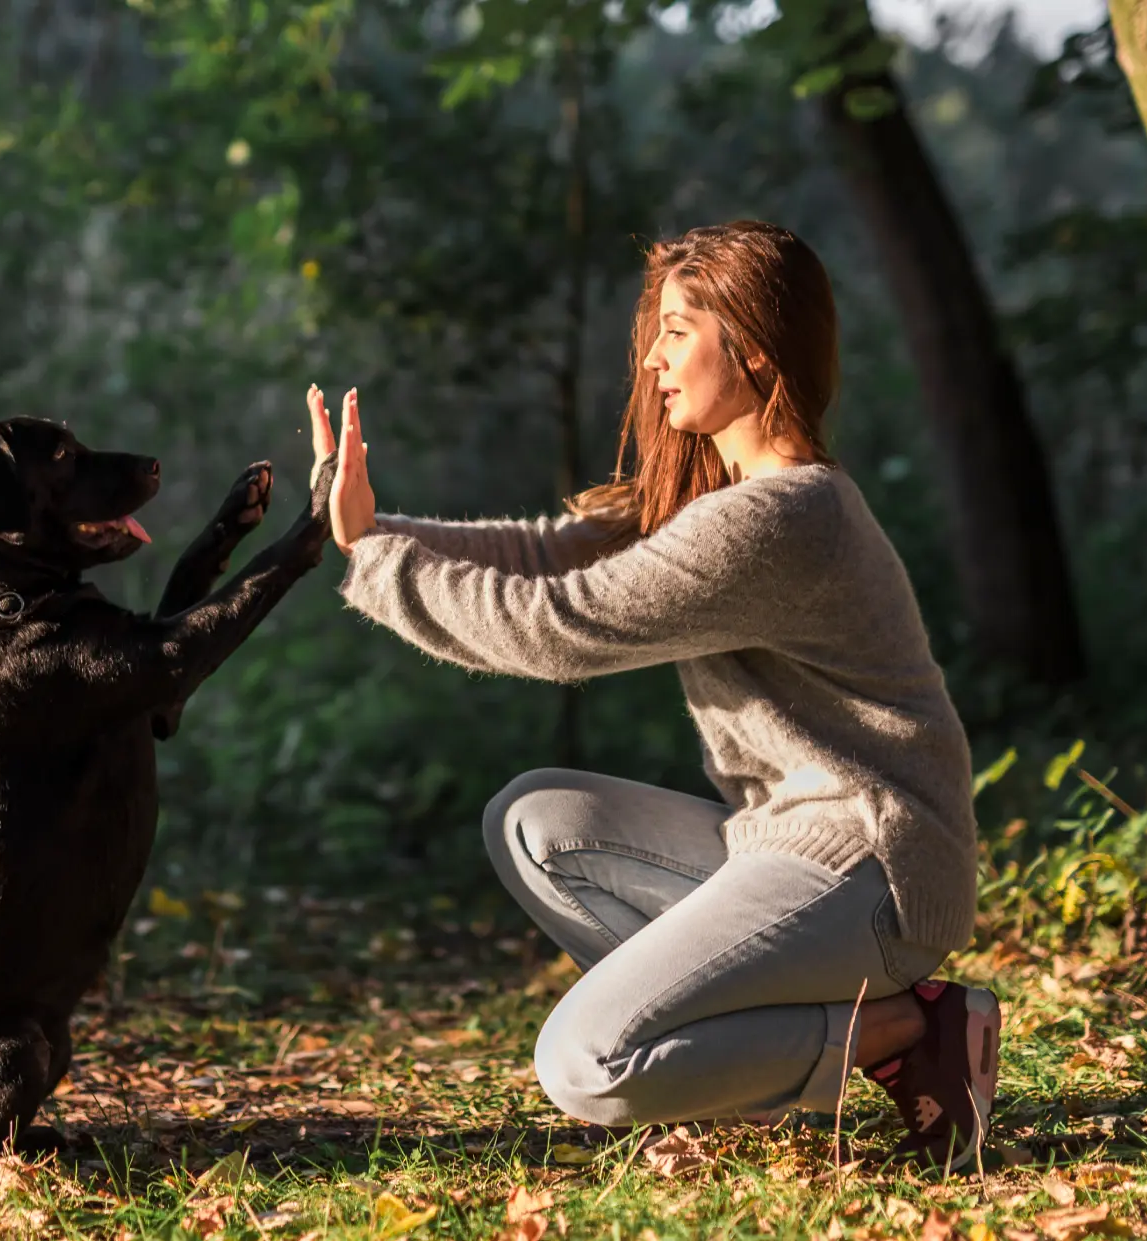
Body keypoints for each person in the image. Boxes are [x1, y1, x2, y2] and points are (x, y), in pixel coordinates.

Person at [304, 220, 999, 1172]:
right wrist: (373, 529)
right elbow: (551, 553)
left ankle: (898, 1031)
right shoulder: (729, 498)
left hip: (874, 871)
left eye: (677, 330)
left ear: (753, 345)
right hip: (792, 845)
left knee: (586, 1062)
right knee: (536, 820)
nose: (651, 359)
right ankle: (721, 1063)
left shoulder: (781, 518)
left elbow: (553, 625)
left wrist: (377, 561)